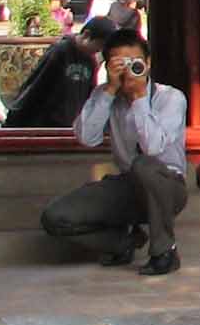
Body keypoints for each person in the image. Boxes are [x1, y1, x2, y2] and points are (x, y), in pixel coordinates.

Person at [40, 27, 190, 276]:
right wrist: (109, 90)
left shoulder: (170, 98)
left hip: (167, 185)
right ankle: (123, 242)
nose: (129, 70)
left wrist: (140, 97)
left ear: (149, 63)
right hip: (127, 186)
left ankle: (164, 251)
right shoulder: (105, 95)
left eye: (136, 63)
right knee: (56, 217)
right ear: (108, 65)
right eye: (121, 64)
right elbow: (87, 138)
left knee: (145, 165)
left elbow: (153, 148)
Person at [3, 17, 111, 129]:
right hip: (47, 124)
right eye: (98, 45)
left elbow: (90, 95)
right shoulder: (60, 51)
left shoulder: (90, 61)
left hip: (69, 125)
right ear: (87, 35)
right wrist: (14, 120)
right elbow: (36, 86)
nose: (98, 50)